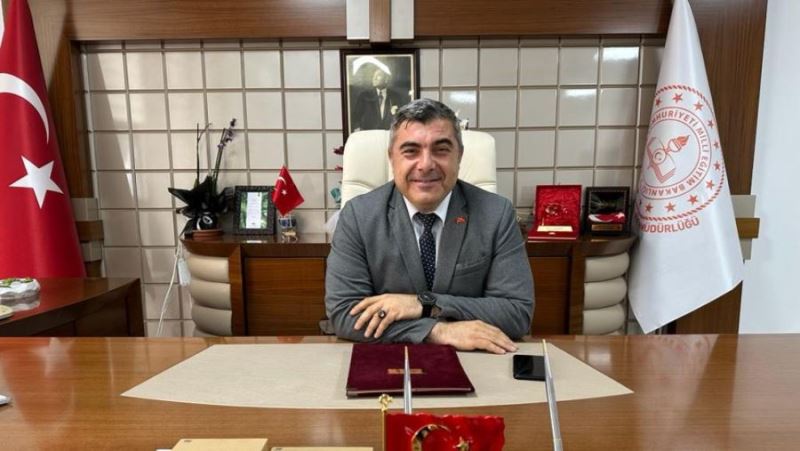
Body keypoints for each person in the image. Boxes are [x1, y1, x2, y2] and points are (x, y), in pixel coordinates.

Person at [326, 98, 534, 354]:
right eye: (410, 151)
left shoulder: (496, 214)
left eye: (441, 149)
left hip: (475, 363)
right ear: (392, 158)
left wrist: (424, 304)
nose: (426, 164)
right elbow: (345, 314)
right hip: (387, 362)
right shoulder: (358, 216)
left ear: (459, 156)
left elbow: (517, 313)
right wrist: (437, 331)